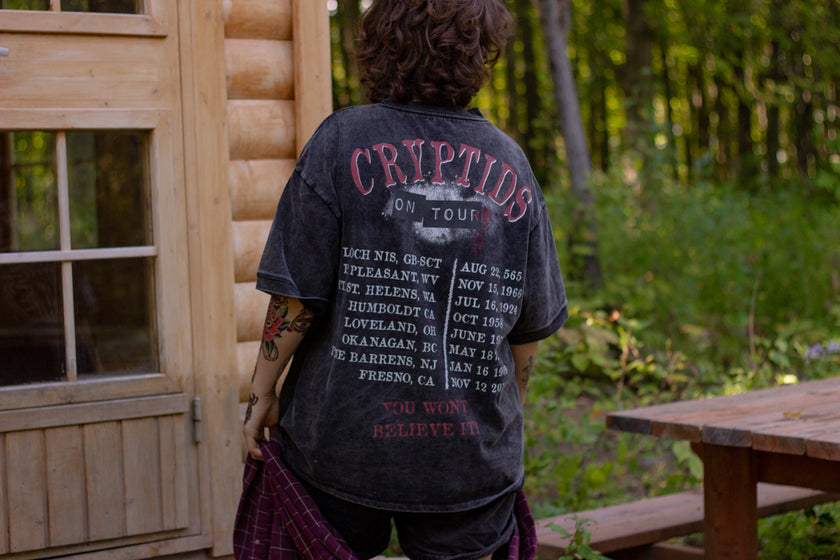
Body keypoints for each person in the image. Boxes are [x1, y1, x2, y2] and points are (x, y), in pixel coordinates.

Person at [240, 1, 568, 559]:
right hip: (469, 457)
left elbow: (295, 299)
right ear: (479, 51)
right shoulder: (509, 162)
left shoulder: (341, 142)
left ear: (381, 42)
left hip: (343, 446)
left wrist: (261, 393)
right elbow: (528, 331)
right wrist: (492, 415)